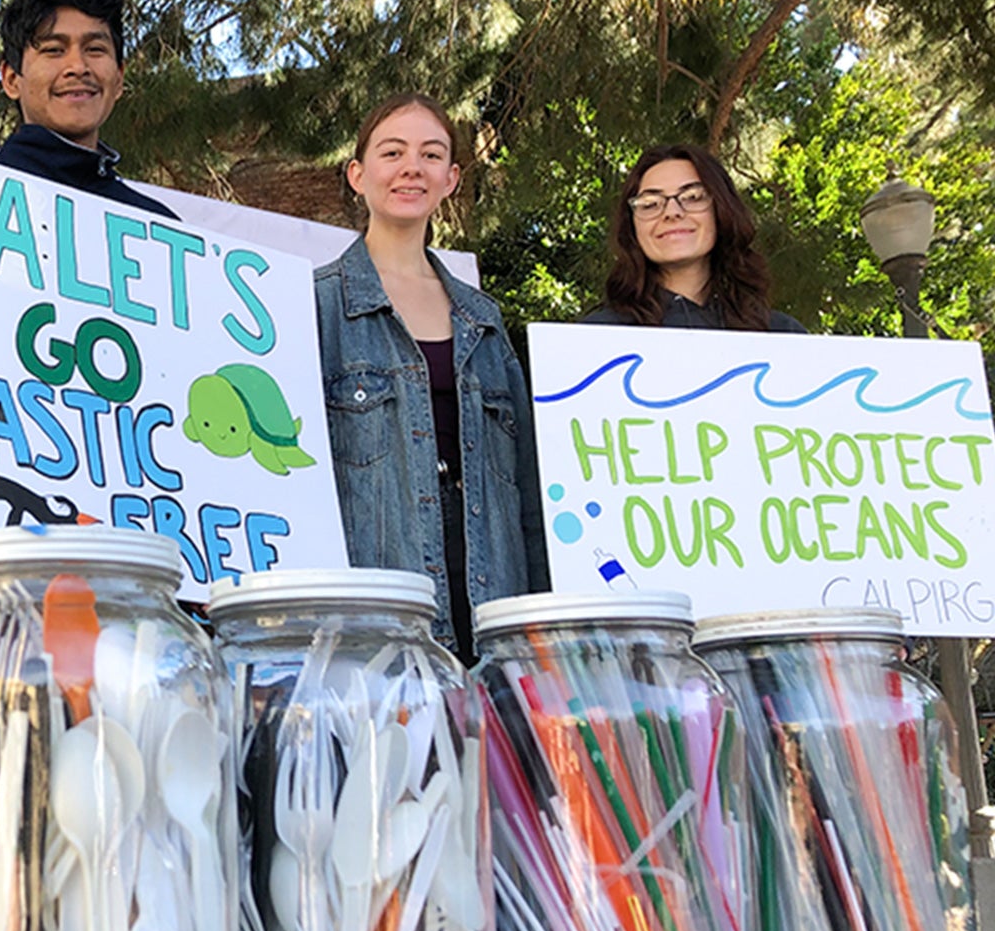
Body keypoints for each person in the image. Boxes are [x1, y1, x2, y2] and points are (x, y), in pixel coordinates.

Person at [314, 92, 548, 660]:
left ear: (451, 178)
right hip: (380, 626)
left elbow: (528, 490)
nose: (411, 168)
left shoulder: (484, 319)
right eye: (392, 152)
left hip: (495, 619)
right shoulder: (314, 307)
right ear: (357, 174)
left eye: (431, 154)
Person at [0, 0, 177, 219]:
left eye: (95, 49)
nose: (78, 67)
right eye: (54, 50)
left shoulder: (160, 229)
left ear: (119, 79)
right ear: (11, 79)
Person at [582, 143, 807, 331]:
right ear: (632, 226)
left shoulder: (782, 336)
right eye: (650, 204)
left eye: (693, 197)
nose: (672, 212)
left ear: (722, 210)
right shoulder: (598, 337)